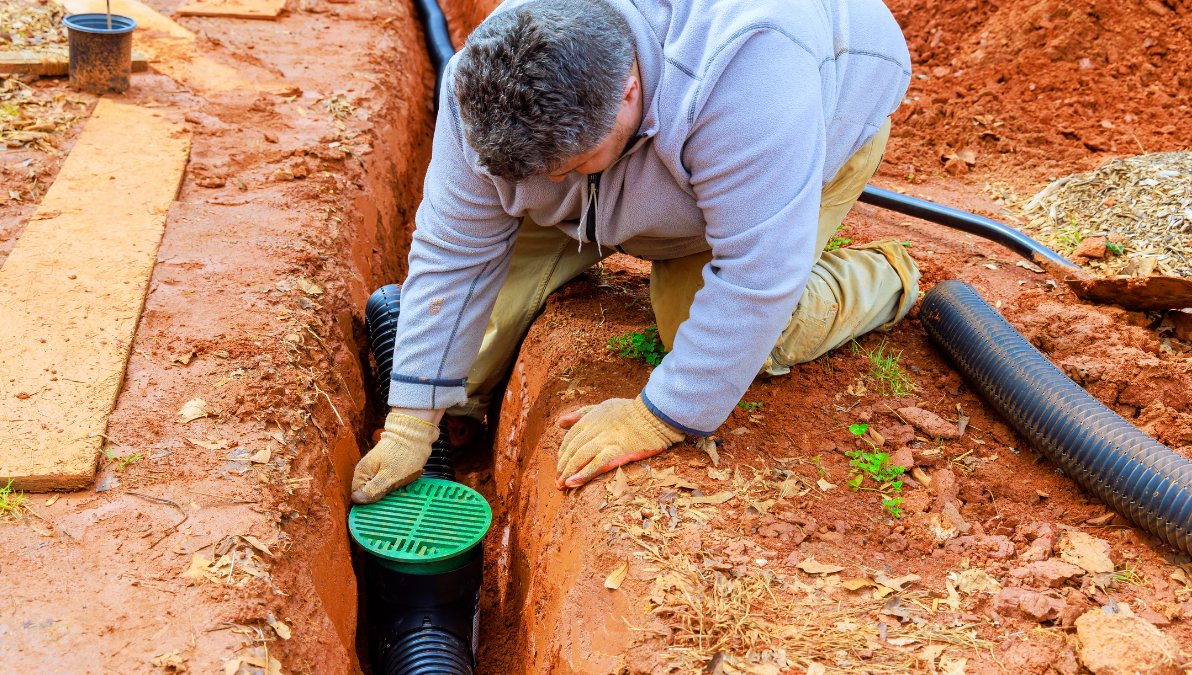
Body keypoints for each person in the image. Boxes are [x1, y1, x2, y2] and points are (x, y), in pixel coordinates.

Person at [350, 0, 918, 504]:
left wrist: (659, 417)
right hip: (629, 168)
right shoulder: (486, 77)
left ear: (628, 91)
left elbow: (757, 274)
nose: (548, 184)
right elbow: (455, 250)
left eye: (569, 167)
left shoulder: (750, 75)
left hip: (805, 130)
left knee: (725, 330)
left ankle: (886, 277)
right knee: (468, 355)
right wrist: (409, 422)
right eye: (539, 177)